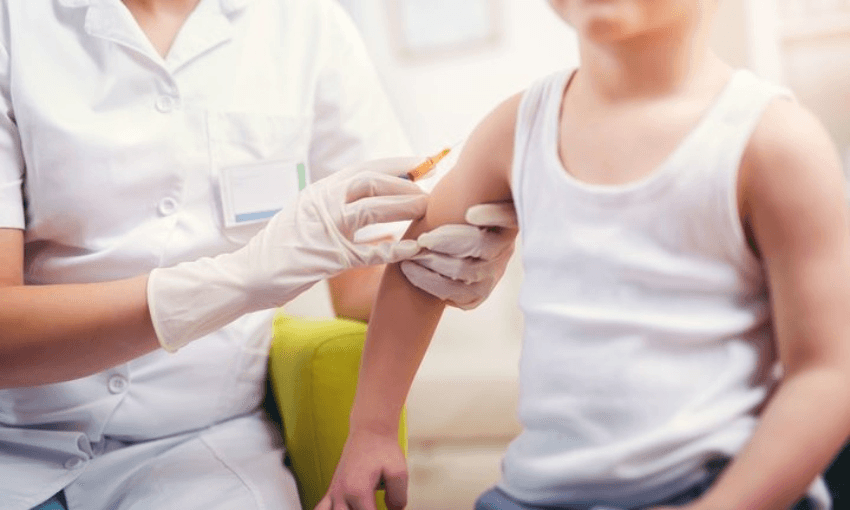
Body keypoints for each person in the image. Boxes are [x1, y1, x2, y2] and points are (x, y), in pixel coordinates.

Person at [317, 0, 850, 509]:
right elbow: (419, 267)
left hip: (711, 487)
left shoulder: (774, 142)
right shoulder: (517, 127)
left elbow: (827, 373)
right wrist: (372, 429)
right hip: (533, 496)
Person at [0, 1, 519, 509]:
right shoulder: (14, 24)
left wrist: (449, 269)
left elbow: (367, 283)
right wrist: (240, 278)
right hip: (18, 444)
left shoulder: (308, 24)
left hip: (203, 445)